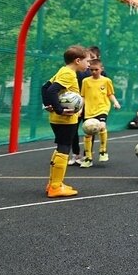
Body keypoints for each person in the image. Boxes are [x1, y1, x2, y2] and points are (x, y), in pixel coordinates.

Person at [43, 45, 90, 197]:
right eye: (87, 61)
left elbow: (45, 87)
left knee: (60, 148)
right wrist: (59, 109)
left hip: (58, 119)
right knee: (64, 149)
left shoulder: (63, 71)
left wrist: (48, 105)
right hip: (65, 119)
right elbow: (51, 90)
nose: (89, 64)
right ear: (78, 60)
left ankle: (53, 183)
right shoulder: (69, 74)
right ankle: (56, 186)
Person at [79, 58, 121, 168]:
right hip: (89, 111)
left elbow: (110, 94)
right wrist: (80, 109)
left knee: (102, 126)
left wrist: (115, 102)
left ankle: (103, 151)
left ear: (101, 69)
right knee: (87, 133)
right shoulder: (85, 81)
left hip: (102, 109)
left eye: (96, 69)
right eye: (91, 70)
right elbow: (83, 96)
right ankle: (88, 158)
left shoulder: (107, 81)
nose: (93, 72)